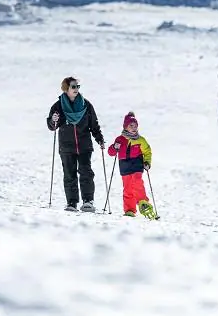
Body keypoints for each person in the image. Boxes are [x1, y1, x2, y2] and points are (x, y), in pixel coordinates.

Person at [46, 77, 105, 212]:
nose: (76, 89)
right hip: (66, 147)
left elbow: (94, 125)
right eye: (73, 87)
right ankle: (71, 202)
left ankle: (88, 201)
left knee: (86, 172)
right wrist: (52, 120)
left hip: (84, 146)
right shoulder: (58, 106)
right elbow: (52, 126)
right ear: (66, 89)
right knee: (69, 174)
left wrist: (99, 139)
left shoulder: (86, 105)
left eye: (78, 86)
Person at [107, 112, 157, 220]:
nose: (134, 128)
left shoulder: (140, 140)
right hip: (124, 165)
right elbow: (111, 153)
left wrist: (147, 162)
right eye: (131, 126)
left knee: (137, 180)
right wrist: (115, 147)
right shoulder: (120, 139)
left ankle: (142, 201)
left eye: (135, 126)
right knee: (128, 188)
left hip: (137, 164)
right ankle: (129, 210)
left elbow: (147, 151)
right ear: (125, 127)